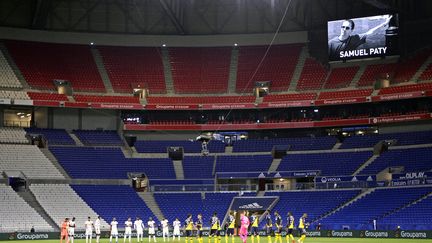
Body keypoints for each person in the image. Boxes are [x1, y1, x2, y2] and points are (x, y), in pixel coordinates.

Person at [328, 16, 392, 60]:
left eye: (347, 28)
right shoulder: (331, 43)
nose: (344, 29)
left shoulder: (355, 39)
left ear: (351, 30)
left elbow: (370, 32)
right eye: (343, 27)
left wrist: (384, 23)